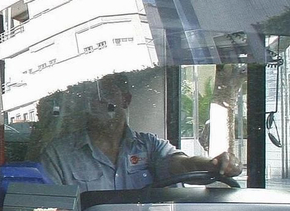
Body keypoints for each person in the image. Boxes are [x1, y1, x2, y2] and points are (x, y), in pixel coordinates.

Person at [40, 72, 239, 192]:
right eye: (92, 97)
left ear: (126, 100)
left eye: (107, 95)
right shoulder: (59, 155)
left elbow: (181, 165)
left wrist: (214, 165)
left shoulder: (150, 147)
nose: (98, 102)